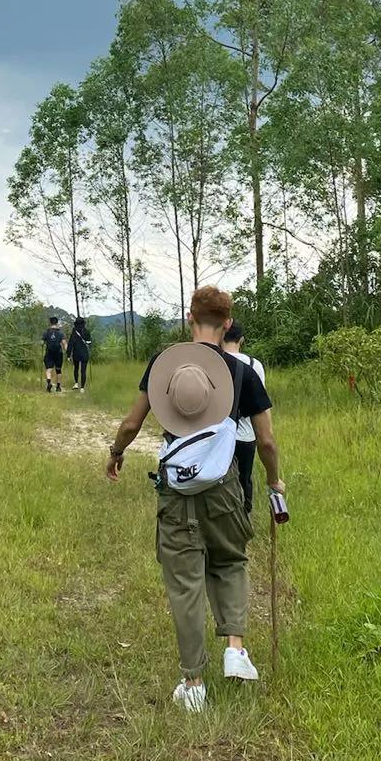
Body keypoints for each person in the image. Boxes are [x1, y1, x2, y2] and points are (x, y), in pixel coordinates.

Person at [106, 285, 285, 713]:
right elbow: (266, 442)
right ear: (227, 323)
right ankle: (235, 648)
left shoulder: (165, 366)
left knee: (185, 581)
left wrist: (116, 454)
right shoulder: (244, 373)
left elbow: (132, 423)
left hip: (176, 487)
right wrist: (275, 483)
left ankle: (193, 682)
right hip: (223, 485)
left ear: (190, 318)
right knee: (230, 559)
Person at [222, 321, 266, 518]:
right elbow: (259, 402)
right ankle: (243, 519)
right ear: (241, 340)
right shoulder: (254, 365)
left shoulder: (214, 361)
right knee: (243, 479)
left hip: (219, 435)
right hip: (246, 435)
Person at [41, 316, 66, 393]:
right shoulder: (60, 333)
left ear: (50, 323)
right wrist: (67, 352)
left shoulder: (46, 332)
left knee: (49, 369)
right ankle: (58, 386)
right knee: (58, 370)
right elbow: (64, 343)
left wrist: (42, 343)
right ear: (57, 322)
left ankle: (49, 382)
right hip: (58, 353)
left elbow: (42, 343)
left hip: (49, 353)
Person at [68, 316, 91, 391]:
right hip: (84, 353)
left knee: (76, 368)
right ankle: (82, 387)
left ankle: (76, 383)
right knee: (83, 371)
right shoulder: (86, 331)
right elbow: (89, 342)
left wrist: (68, 354)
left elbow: (70, 343)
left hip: (76, 353)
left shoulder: (74, 332)